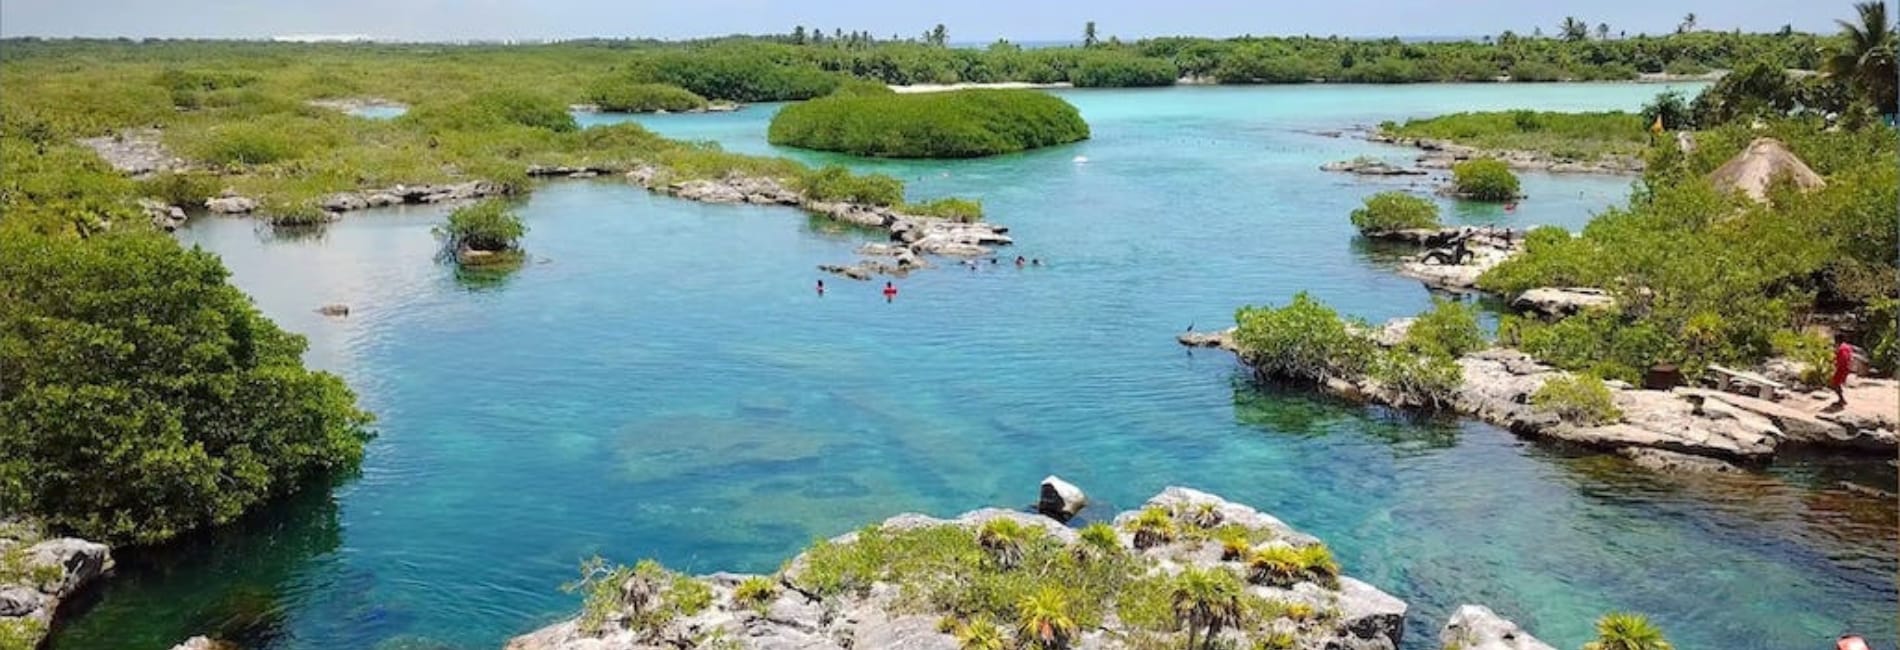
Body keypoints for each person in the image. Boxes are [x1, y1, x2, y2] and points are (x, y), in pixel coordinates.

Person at [1831, 339, 1856, 406]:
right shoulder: (1847, 347)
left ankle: (1842, 399)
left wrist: (1836, 364)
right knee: (1837, 383)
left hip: (1842, 368)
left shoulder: (1842, 348)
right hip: (1846, 368)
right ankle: (1841, 399)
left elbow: (1843, 359)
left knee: (1835, 383)